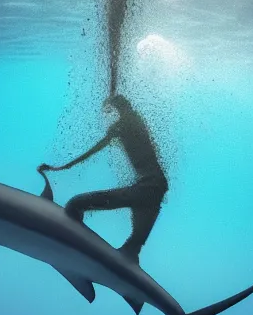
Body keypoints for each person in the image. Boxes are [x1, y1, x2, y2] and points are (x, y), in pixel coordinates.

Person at [38, 94, 168, 262]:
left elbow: (93, 151)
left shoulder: (124, 124)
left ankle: (75, 251)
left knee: (75, 204)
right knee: (132, 248)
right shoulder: (134, 120)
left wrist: (61, 167)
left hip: (147, 187)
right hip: (156, 187)